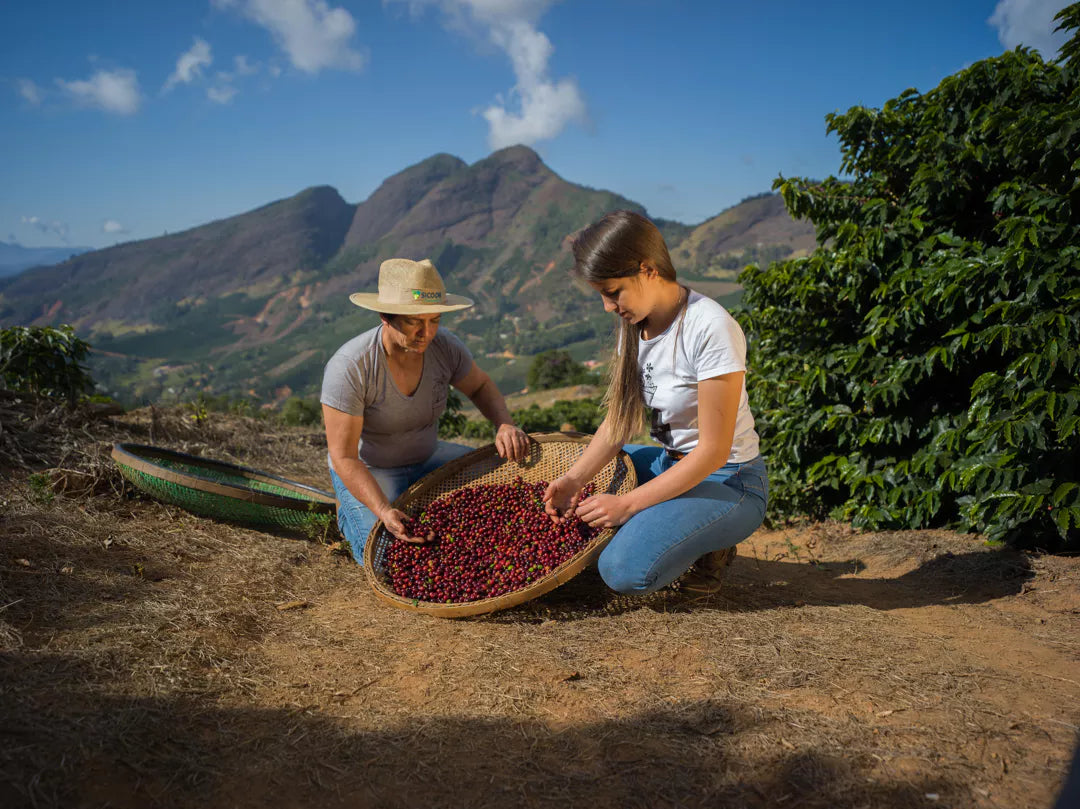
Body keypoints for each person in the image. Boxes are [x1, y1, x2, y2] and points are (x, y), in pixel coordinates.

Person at [543, 210, 768, 596]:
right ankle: (672, 523)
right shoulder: (636, 327)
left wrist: (629, 505)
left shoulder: (710, 327)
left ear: (647, 270)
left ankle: (711, 543)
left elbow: (714, 453)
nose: (608, 306)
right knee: (583, 467)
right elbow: (617, 424)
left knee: (622, 570)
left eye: (613, 292)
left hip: (728, 481)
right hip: (670, 463)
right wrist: (574, 479)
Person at [322, 257, 529, 560]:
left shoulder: (445, 347)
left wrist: (504, 424)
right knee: (387, 556)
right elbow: (344, 456)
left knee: (511, 491)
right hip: (371, 469)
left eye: (434, 320)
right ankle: (348, 514)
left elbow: (481, 386)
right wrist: (383, 510)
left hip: (430, 457)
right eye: (413, 321)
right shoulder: (351, 367)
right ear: (385, 316)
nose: (426, 333)